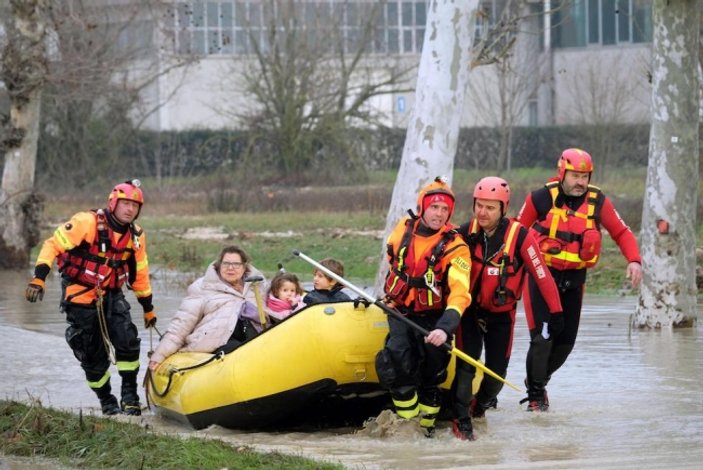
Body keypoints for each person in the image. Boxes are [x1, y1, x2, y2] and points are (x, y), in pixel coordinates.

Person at [516, 148, 642, 411]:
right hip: (541, 276)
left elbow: (621, 231)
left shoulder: (598, 201)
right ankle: (536, 397)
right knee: (542, 338)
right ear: (562, 173)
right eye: (575, 176)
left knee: (565, 344)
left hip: (574, 280)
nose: (580, 182)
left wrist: (633, 260)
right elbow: (515, 233)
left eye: (585, 176)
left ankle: (537, 379)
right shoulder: (540, 198)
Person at [24, 180, 156, 416]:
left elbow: (140, 274)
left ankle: (130, 396)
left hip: (111, 294)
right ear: (113, 203)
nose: (130, 210)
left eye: (135, 206)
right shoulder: (87, 222)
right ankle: (106, 400)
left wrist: (148, 308)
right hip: (80, 294)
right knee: (91, 353)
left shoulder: (136, 236)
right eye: (125, 204)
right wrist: (39, 278)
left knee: (127, 341)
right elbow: (52, 245)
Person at [451, 177, 563, 441]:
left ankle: (478, 407)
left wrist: (556, 312)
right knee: (466, 367)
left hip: (502, 316)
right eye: (479, 205)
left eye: (490, 207)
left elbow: (542, 275)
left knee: (497, 377)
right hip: (469, 313)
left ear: (503, 209)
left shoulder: (521, 237)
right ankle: (461, 421)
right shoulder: (464, 233)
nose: (483, 212)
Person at [375, 176, 472, 438]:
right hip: (401, 310)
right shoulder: (402, 230)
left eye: (444, 209)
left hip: (435, 318)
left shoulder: (456, 247)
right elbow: (393, 261)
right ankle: (407, 427)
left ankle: (425, 429)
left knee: (433, 373)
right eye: (434, 207)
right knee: (398, 359)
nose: (439, 214)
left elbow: (460, 292)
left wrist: (445, 328)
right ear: (422, 207)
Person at [148, 245, 268, 371]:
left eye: (236, 264)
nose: (231, 268)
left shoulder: (258, 285)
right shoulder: (202, 288)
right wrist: (159, 355)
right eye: (226, 263)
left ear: (244, 267)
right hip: (218, 344)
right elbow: (182, 324)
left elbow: (278, 312)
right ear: (219, 265)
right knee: (236, 351)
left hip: (255, 339)